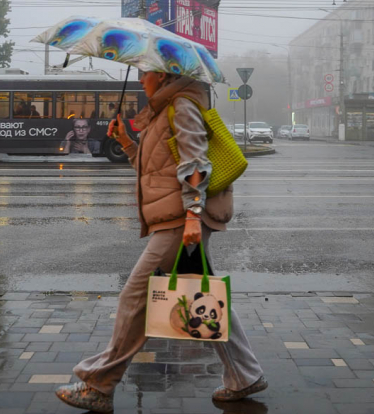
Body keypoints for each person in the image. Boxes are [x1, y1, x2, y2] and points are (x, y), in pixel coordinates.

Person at [55, 72, 266, 413]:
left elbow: (195, 161)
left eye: (145, 73)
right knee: (204, 297)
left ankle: (98, 385)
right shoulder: (165, 108)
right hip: (178, 216)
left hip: (180, 220)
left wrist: (193, 214)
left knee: (136, 298)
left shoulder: (181, 105)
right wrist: (126, 142)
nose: (141, 80)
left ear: (163, 73)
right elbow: (155, 170)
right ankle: (245, 376)